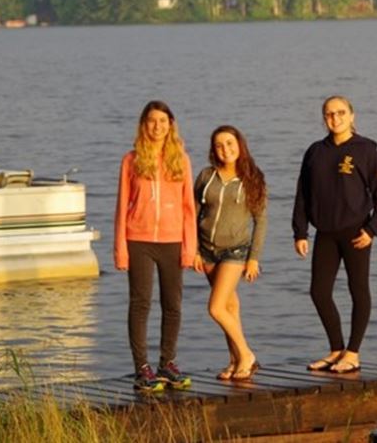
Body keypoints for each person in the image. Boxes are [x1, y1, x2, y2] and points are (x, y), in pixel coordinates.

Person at [293, 95, 377, 374]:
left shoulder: (366, 150)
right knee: (319, 292)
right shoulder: (315, 151)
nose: (334, 118)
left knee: (357, 289)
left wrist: (373, 229)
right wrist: (300, 232)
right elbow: (302, 194)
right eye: (329, 114)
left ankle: (353, 352)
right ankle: (336, 349)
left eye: (340, 113)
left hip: (356, 232)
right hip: (325, 232)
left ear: (351, 116)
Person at [114, 100, 197, 391]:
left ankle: (167, 364)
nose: (157, 126)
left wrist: (189, 248)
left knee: (172, 304)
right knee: (141, 303)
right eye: (152, 121)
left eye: (163, 121)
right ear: (144, 125)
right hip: (139, 240)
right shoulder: (131, 160)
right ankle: (142, 368)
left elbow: (189, 208)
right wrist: (121, 250)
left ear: (170, 125)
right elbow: (122, 206)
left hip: (173, 241)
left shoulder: (181, 160)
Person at [193, 125, 268, 381]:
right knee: (229, 306)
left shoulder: (253, 178)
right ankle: (235, 360)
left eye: (229, 143)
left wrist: (253, 258)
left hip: (235, 251)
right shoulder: (206, 176)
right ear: (213, 150)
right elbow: (192, 214)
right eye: (219, 145)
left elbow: (261, 221)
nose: (225, 149)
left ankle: (247, 355)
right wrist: (194, 250)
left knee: (216, 308)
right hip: (206, 251)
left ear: (239, 145)